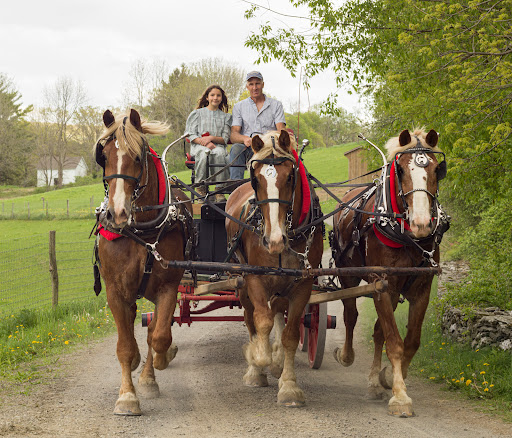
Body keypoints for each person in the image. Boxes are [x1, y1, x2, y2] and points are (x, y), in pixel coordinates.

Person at [228, 71, 287, 180]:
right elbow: (234, 135)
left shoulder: (276, 105)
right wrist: (245, 139)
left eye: (257, 83)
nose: (254, 87)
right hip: (249, 147)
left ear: (263, 84)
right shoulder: (239, 107)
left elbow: (281, 130)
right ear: (247, 86)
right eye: (251, 84)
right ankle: (235, 185)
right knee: (236, 148)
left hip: (270, 147)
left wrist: (272, 142)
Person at [185, 84, 232, 202]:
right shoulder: (197, 114)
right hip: (199, 146)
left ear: (222, 98)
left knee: (220, 154)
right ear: (207, 97)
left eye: (218, 95)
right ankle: (201, 188)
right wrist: (204, 142)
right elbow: (190, 134)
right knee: (204, 153)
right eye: (212, 95)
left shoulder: (226, 117)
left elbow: (225, 139)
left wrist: (211, 138)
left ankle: (219, 190)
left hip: (218, 146)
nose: (215, 98)